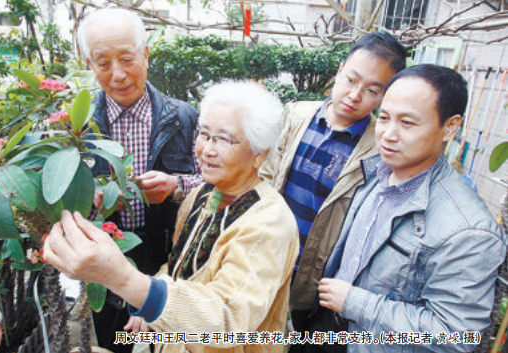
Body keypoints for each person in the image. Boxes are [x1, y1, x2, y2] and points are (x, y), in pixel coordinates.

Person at [43, 81, 299, 353]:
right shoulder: (203, 195)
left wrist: (127, 281)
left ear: (260, 154)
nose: (207, 150)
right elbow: (178, 267)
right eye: (204, 134)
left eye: (223, 139)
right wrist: (147, 298)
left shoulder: (268, 223)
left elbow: (229, 322)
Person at [318, 64, 507, 352]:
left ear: (450, 126)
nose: (388, 134)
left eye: (407, 123)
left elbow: (455, 336)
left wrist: (356, 303)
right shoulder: (376, 173)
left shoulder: (468, 229)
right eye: (384, 118)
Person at [259, 32, 407, 348]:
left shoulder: (377, 150)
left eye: (372, 90)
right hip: (266, 260)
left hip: (312, 285)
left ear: (384, 96)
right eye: (351, 79)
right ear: (339, 70)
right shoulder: (296, 114)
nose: (355, 95)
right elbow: (266, 177)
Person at [76, 8, 202, 353]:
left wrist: (176, 186)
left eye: (127, 59)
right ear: (90, 63)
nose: (118, 75)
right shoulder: (77, 127)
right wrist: (92, 203)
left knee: (170, 343)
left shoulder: (184, 117)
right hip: (108, 259)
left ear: (146, 54)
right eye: (103, 63)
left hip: (168, 259)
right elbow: (60, 201)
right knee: (116, 342)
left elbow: (211, 182)